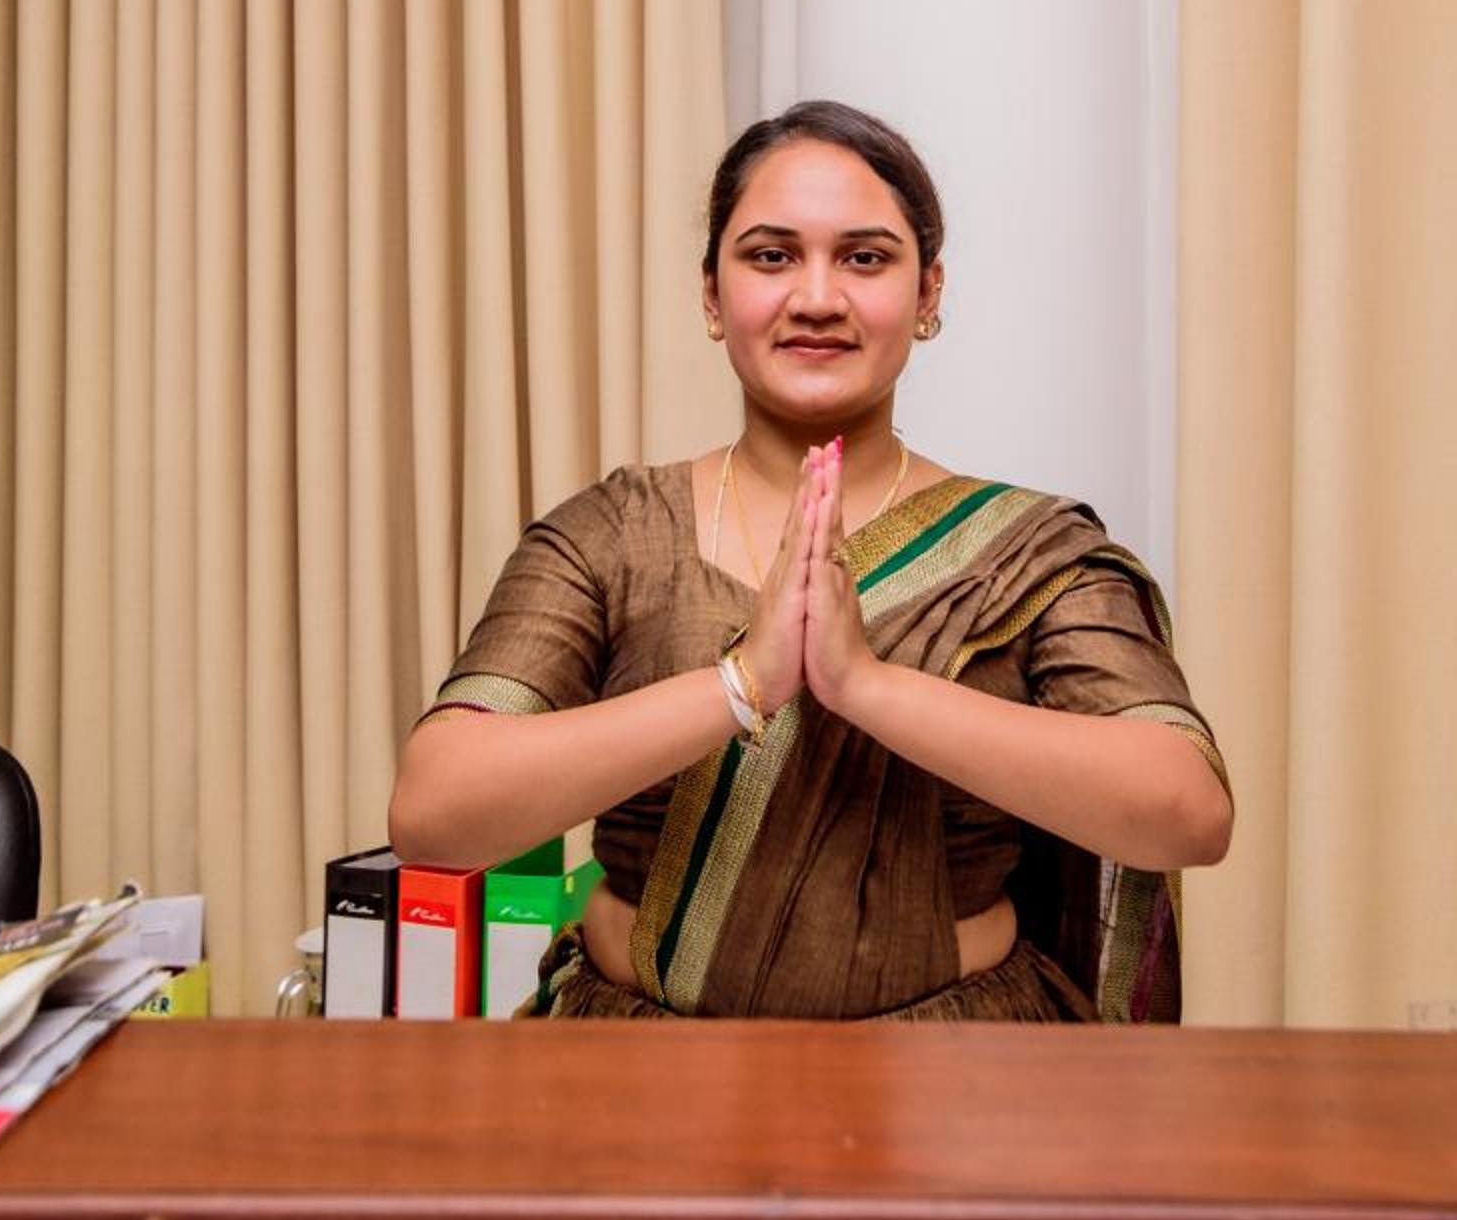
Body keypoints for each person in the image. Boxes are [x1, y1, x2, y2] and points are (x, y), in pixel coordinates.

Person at [388, 102, 1231, 1021]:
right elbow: (437, 816)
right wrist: (742, 685)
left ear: (928, 293)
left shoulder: (1028, 553)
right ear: (712, 295)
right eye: (771, 256)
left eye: (865, 258)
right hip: (636, 1066)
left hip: (955, 1070)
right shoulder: (612, 536)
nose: (818, 297)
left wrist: (865, 685)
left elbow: (1185, 812)